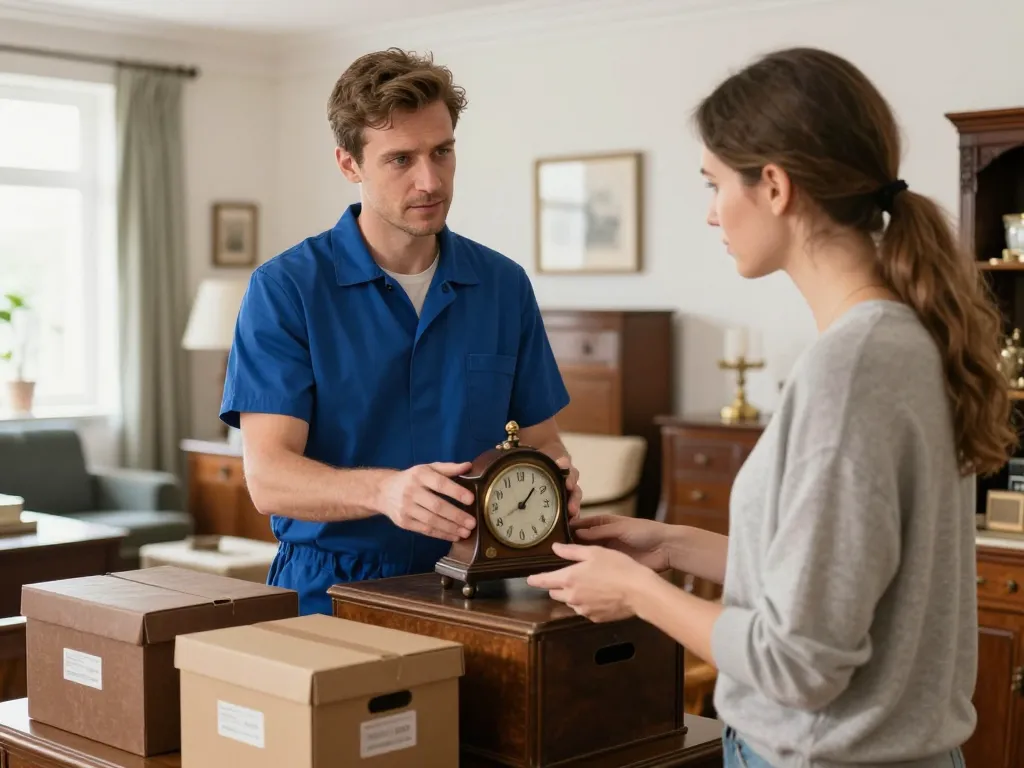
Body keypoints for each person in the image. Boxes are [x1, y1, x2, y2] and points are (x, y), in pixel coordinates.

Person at [528, 46, 1015, 768]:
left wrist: (637, 592)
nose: (710, 213)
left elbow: (799, 664)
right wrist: (671, 548)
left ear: (776, 186)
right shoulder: (902, 341)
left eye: (714, 183)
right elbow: (839, 589)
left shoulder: (849, 375)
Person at [221, 48, 581, 617]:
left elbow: (544, 441)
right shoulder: (285, 289)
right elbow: (270, 479)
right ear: (349, 164)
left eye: (442, 152)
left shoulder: (504, 286)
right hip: (332, 589)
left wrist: (557, 481)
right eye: (400, 159)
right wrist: (384, 492)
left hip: (480, 589)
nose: (430, 180)